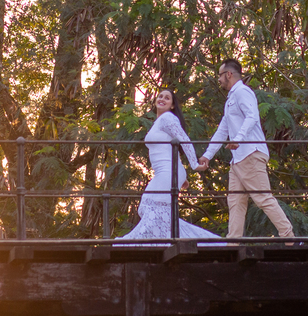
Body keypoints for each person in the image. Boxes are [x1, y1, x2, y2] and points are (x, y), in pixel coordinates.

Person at [196, 59, 294, 239]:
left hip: (250, 154)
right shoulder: (230, 99)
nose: (218, 79)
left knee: (263, 198)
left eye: (219, 75)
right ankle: (233, 243)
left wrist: (238, 139)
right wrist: (207, 156)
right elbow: (222, 130)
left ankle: (289, 237)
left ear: (228, 74)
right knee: (235, 202)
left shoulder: (242, 92)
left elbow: (252, 117)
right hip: (238, 159)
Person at [120, 89, 220, 241]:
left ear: (172, 105)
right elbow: (169, 148)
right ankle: (186, 240)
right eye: (160, 96)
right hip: (167, 172)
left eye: (167, 98)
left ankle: (146, 241)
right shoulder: (159, 121)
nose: (162, 99)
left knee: (150, 207)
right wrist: (180, 175)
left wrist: (194, 165)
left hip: (168, 172)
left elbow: (183, 139)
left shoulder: (168, 118)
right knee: (153, 211)